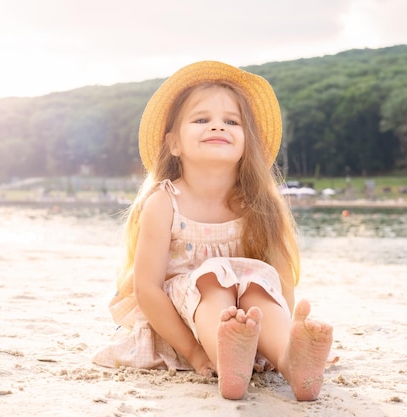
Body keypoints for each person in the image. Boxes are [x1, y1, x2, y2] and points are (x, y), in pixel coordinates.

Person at [93, 61, 333, 401]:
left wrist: (281, 325)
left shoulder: (259, 204)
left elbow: (281, 281)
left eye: (231, 121)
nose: (218, 126)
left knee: (256, 284)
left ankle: (289, 359)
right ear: (174, 143)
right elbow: (147, 289)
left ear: (247, 143)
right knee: (214, 281)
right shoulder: (164, 202)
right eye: (202, 119)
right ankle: (226, 359)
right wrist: (193, 352)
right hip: (185, 325)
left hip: (252, 323)